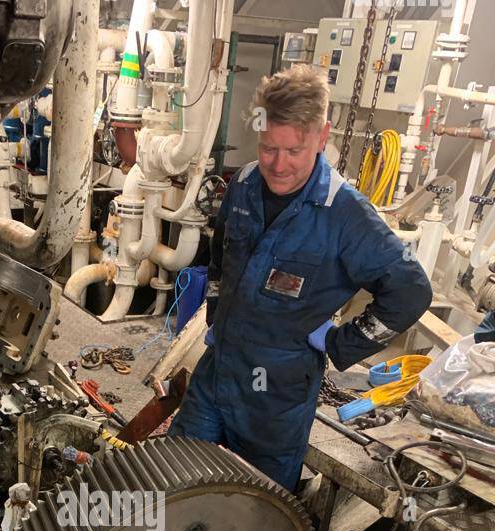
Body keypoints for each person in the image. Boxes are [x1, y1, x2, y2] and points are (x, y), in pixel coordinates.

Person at [169, 65, 433, 492]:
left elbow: (411, 291)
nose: (278, 164)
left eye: (293, 151)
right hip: (218, 373)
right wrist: (217, 315)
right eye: (268, 147)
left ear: (322, 136)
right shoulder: (244, 184)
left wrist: (341, 343)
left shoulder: (345, 215)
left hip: (275, 398)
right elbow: (220, 259)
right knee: (174, 480)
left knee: (258, 508)